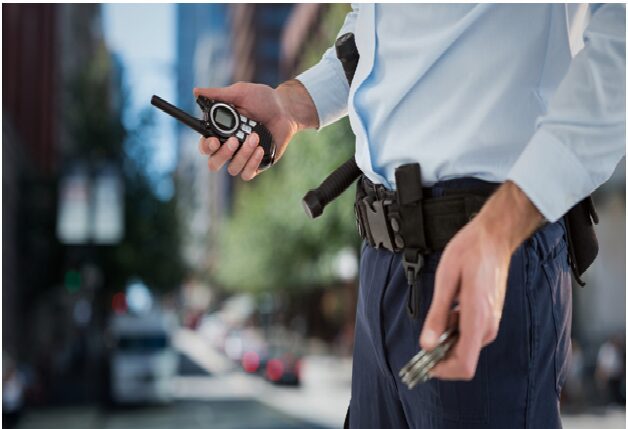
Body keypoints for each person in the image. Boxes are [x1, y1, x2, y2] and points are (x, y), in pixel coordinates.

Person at [195, 4, 625, 428]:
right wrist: (291, 104)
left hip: (485, 254)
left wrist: (501, 229)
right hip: (381, 269)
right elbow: (376, 27)